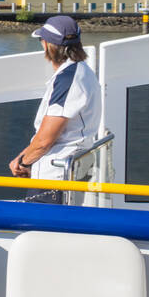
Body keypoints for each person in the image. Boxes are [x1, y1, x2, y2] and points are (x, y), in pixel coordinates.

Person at [9, 15, 100, 202]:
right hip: (69, 169)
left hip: (55, 177)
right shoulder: (83, 71)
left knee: (39, 221)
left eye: (42, 41)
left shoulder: (67, 79)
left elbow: (45, 140)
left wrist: (22, 162)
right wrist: (25, 157)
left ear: (47, 45)